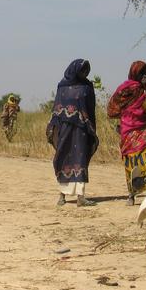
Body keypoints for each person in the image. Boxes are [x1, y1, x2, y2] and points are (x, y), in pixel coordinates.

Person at [107, 61, 146, 205]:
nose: (144, 76)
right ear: (135, 73)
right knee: (131, 162)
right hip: (129, 129)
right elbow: (112, 109)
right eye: (141, 73)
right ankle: (131, 194)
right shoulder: (124, 89)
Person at [47, 59, 98, 207]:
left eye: (86, 71)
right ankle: (62, 195)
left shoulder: (87, 87)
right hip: (65, 129)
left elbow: (91, 108)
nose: (85, 73)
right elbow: (56, 108)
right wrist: (53, 128)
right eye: (82, 70)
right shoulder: (62, 86)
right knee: (63, 157)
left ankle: (80, 196)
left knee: (80, 160)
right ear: (74, 70)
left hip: (82, 130)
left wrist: (91, 128)